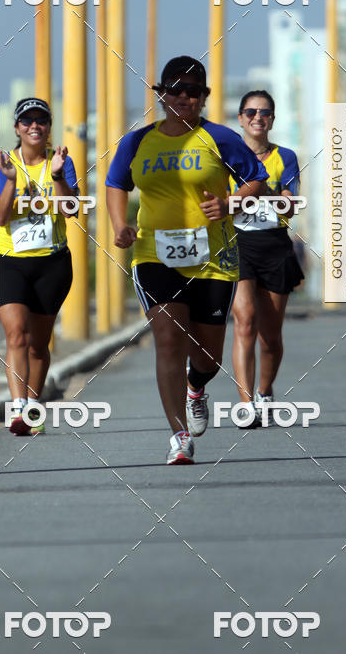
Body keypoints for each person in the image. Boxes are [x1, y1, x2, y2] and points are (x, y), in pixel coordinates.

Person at [106, 57, 269, 464]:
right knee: (167, 339)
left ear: (203, 97)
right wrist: (119, 224)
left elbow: (257, 180)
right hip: (153, 255)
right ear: (162, 94)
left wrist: (230, 202)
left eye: (193, 91)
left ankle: (196, 387)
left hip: (212, 257)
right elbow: (115, 183)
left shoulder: (220, 138)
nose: (183, 97)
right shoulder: (138, 141)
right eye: (175, 90)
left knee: (208, 355)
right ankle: (179, 435)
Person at [0, 97, 78, 435]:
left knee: (38, 344)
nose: (34, 126)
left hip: (52, 264)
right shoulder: (1, 163)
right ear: (16, 128)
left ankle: (32, 405)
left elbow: (70, 209)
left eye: (41, 121)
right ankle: (18, 409)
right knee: (16, 335)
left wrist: (58, 175)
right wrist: (12, 181)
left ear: (48, 127)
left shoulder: (61, 161)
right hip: (9, 262)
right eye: (27, 121)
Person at [231, 90, 304, 427]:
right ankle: (246, 403)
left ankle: (264, 390)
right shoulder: (226, 156)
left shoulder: (285, 157)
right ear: (241, 118)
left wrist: (262, 191)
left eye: (264, 113)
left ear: (272, 119)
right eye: (250, 112)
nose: (257, 118)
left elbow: (290, 203)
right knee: (244, 321)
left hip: (275, 245)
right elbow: (220, 201)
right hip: (237, 243)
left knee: (269, 336)